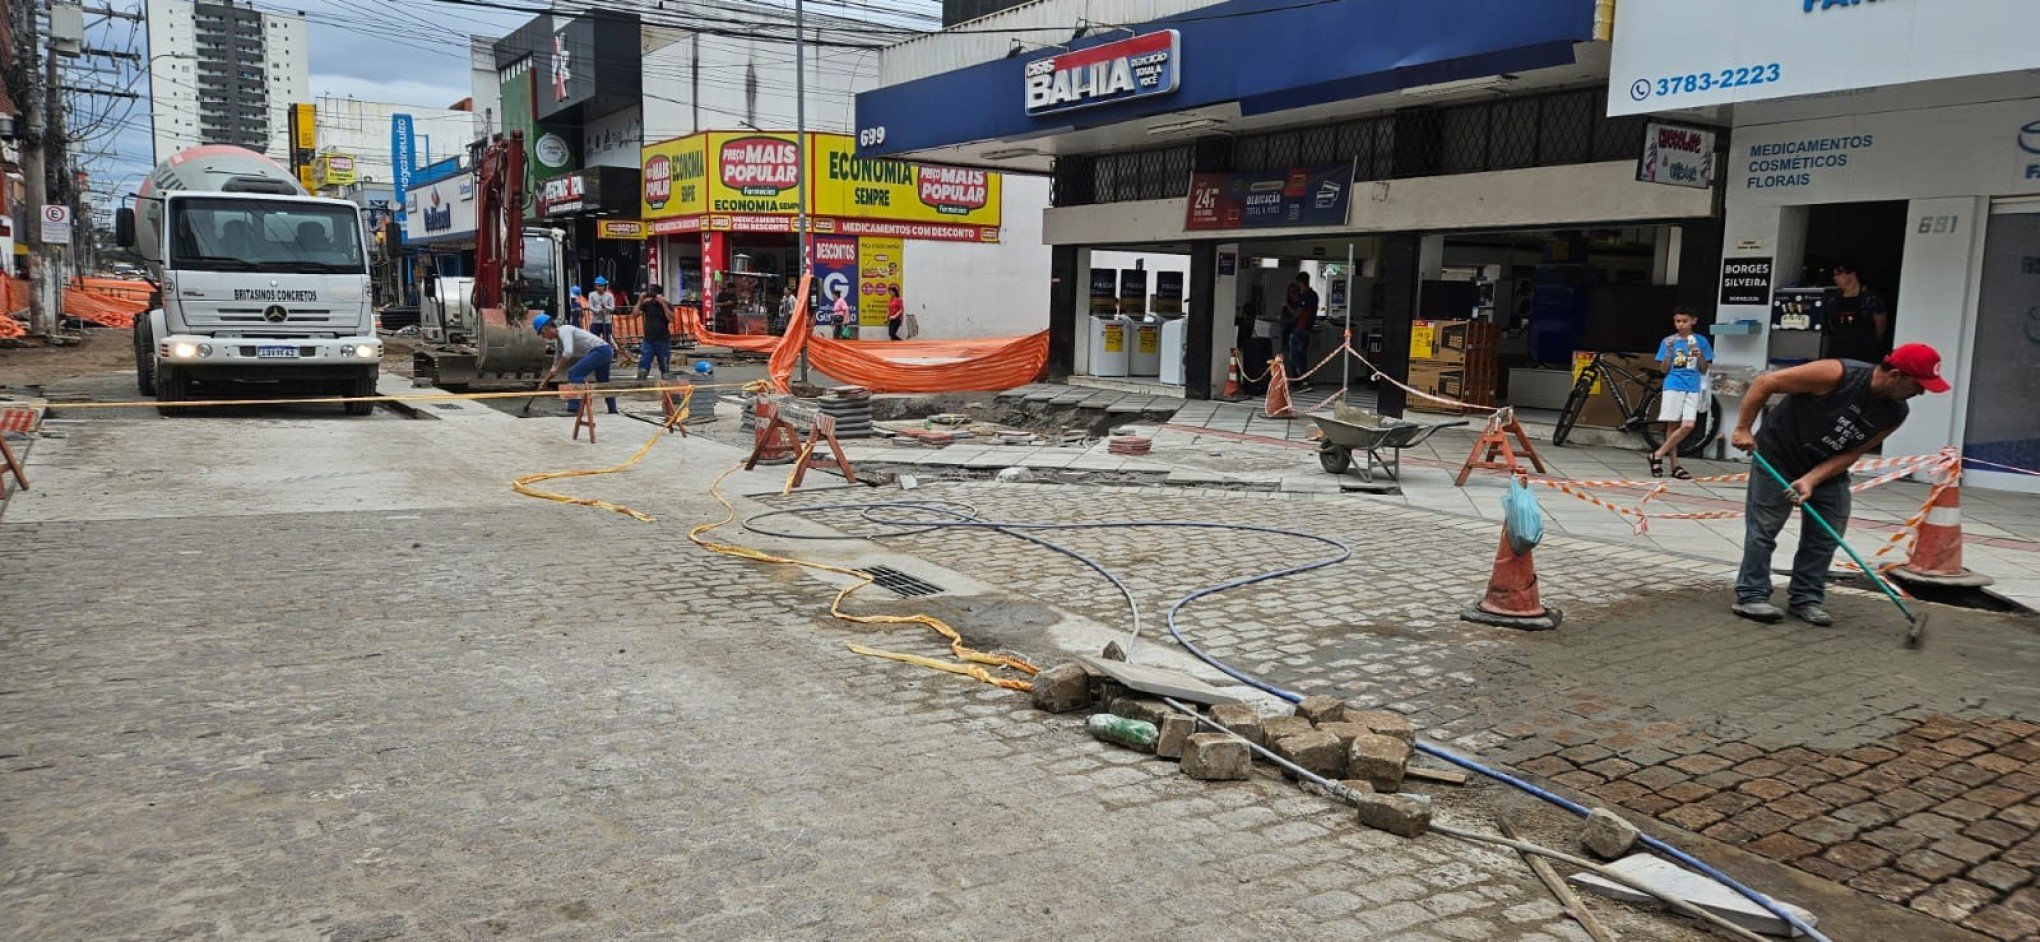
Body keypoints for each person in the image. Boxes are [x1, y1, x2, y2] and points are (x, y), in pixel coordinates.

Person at [1729, 343, 1949, 625]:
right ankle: (1752, 595)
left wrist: (1812, 479)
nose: (1921, 392)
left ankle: (1806, 598)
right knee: (1764, 529)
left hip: (1827, 468)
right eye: (1918, 385)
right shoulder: (1837, 374)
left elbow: (1851, 453)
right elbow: (1765, 382)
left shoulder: (1896, 413)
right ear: (1895, 375)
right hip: (1779, 455)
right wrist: (1743, 428)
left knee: (1827, 533)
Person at [1648, 307, 1714, 480]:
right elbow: (1663, 369)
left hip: (1693, 385)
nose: (1681, 325)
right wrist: (1669, 352)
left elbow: (1704, 368)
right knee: (1672, 425)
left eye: (1685, 321)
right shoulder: (1668, 341)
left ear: (1694, 321)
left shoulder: (1700, 340)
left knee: (1688, 425)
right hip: (1673, 384)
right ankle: (1675, 465)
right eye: (1678, 321)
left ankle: (1657, 454)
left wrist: (1698, 354)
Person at [535, 312, 618, 415]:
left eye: (542, 334)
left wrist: (557, 368)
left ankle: (574, 409)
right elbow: (554, 366)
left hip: (600, 350)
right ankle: (613, 410)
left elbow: (568, 352)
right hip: (605, 351)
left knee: (574, 373)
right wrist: (545, 381)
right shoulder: (559, 342)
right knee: (603, 381)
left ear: (546, 329)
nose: (544, 337)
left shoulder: (565, 330)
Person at [1825, 260, 1889, 363]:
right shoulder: (1834, 300)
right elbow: (1831, 325)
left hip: (1865, 355)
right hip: (1838, 353)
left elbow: (1880, 328)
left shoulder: (1870, 298)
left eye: (1838, 274)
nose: (1834, 278)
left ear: (1852, 274)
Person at [1281, 272, 1319, 384]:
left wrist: (1286, 305)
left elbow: (1298, 314)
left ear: (1301, 282)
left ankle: (1304, 380)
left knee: (1294, 356)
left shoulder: (1307, 296)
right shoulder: (1313, 295)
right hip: (1306, 329)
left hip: (1301, 328)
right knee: (1301, 356)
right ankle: (1302, 380)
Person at [634, 284, 674, 382]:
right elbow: (634, 314)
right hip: (648, 340)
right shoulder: (647, 304)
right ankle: (641, 385)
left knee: (665, 368)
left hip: (663, 340)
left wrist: (663, 304)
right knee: (644, 364)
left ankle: (666, 390)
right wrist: (640, 300)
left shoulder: (667, 304)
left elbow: (671, 318)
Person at [587, 276, 617, 340]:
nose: (599, 287)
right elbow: (590, 307)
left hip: (606, 321)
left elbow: (612, 308)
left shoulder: (610, 295)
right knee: (593, 339)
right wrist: (597, 310)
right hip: (596, 321)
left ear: (604, 286)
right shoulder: (591, 294)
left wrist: (605, 307)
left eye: (601, 286)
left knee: (607, 339)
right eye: (598, 285)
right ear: (595, 286)